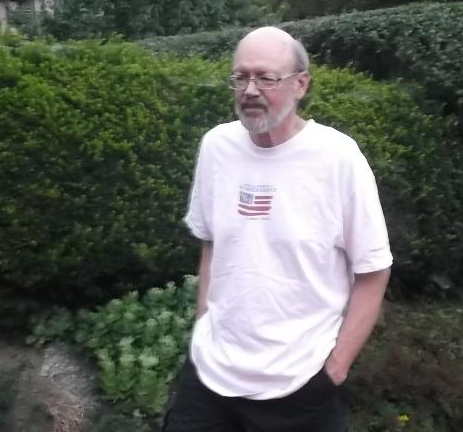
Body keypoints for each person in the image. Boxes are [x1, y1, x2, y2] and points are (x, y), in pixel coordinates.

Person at [162, 26, 393, 432]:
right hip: (210, 376)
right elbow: (212, 244)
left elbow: (373, 271)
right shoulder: (217, 147)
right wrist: (202, 326)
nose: (250, 90)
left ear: (300, 84)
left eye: (266, 78)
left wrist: (336, 367)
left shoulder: (337, 158)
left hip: (300, 385)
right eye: (240, 77)